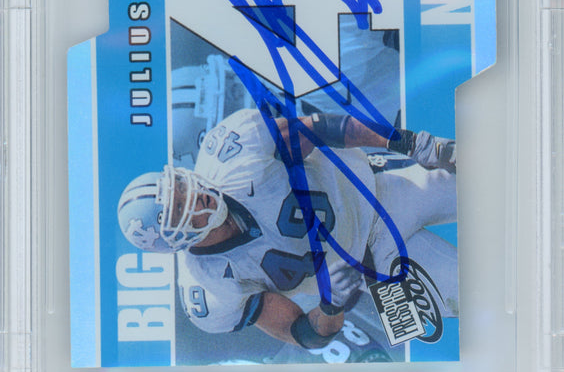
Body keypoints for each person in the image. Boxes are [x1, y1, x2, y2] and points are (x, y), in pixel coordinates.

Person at [118, 109, 457, 351]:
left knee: (482, 172)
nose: (194, 196)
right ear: (175, 241)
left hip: (380, 186)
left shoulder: (230, 157)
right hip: (372, 270)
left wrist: (411, 143)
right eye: (179, 209)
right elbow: (303, 334)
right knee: (472, 292)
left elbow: (321, 128)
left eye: (180, 186)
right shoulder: (210, 287)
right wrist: (332, 304)